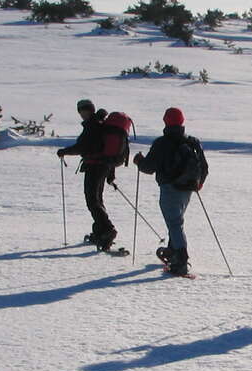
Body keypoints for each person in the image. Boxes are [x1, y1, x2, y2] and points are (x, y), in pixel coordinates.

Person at [133, 107, 208, 276]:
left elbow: (149, 167)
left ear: (165, 121)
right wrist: (198, 183)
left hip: (170, 187)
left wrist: (139, 161)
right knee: (176, 221)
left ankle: (181, 260)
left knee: (174, 223)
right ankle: (173, 251)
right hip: (188, 188)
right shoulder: (192, 142)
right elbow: (204, 167)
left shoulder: (162, 143)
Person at [57, 99, 118, 250]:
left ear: (89, 110)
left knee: (92, 200)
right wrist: (110, 172)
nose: (81, 114)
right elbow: (107, 150)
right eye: (80, 111)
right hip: (102, 166)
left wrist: (64, 151)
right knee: (97, 199)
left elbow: (82, 146)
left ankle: (107, 229)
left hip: (95, 166)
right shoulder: (100, 124)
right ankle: (100, 231)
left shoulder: (92, 126)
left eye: (82, 110)